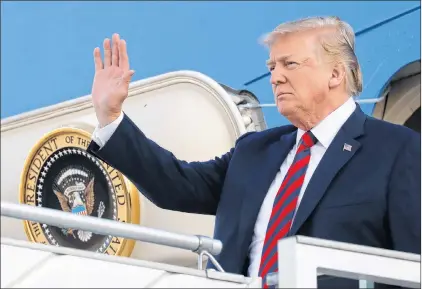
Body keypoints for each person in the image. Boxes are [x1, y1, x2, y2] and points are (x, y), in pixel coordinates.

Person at [87, 16, 421, 288]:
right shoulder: (254, 150)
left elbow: (414, 263)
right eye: (272, 66)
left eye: (289, 64)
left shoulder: (398, 150)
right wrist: (111, 117)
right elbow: (174, 184)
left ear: (335, 73)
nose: (275, 77)